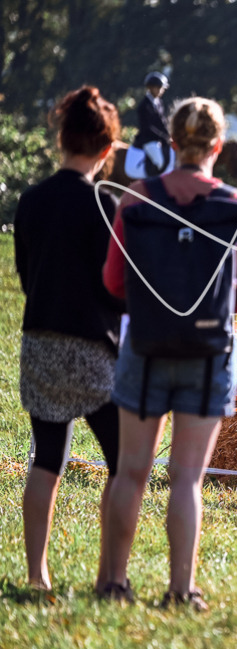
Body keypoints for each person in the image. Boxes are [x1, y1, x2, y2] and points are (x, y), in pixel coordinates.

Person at [101, 97, 237, 610]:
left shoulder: (135, 198)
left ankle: (113, 583)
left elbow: (113, 282)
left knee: (131, 471)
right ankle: (181, 589)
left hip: (146, 346)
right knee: (187, 477)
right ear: (218, 146)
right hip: (209, 349)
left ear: (171, 144)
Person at [13, 86, 123, 595]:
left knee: (47, 458)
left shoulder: (31, 201)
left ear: (60, 139)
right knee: (122, 464)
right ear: (106, 151)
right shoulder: (105, 205)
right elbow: (116, 284)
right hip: (93, 350)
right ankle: (108, 574)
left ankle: (37, 575)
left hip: (39, 343)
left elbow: (24, 275)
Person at [124, 71, 174, 179]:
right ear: (152, 88)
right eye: (160, 88)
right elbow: (148, 127)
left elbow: (162, 122)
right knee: (159, 162)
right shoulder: (144, 105)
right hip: (148, 140)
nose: (162, 91)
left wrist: (169, 135)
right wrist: (163, 137)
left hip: (159, 140)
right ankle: (150, 185)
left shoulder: (159, 103)